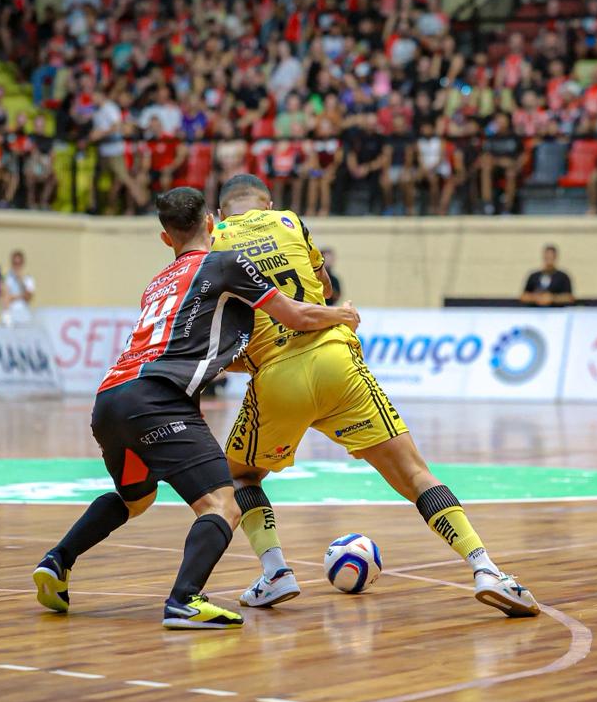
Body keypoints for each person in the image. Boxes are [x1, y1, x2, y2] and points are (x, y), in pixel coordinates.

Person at [212, 174, 540, 618]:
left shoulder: (215, 241)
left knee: (242, 477)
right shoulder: (289, 221)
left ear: (219, 213)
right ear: (267, 204)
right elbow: (325, 289)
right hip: (335, 359)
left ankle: (275, 573)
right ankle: (487, 570)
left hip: (275, 378)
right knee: (416, 475)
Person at [32, 187, 360, 630]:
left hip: (110, 398)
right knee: (223, 504)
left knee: (137, 498)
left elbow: (190, 344)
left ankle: (58, 560)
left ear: (166, 239)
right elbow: (295, 316)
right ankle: (184, 600)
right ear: (212, 224)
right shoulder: (224, 263)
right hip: (158, 400)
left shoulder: (157, 283)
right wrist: (340, 315)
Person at [1, 250, 35, 326]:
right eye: (15, 263)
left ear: (23, 263)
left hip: (23, 316)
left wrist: (21, 280)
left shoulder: (28, 278)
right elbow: (5, 296)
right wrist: (21, 295)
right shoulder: (7, 277)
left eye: (19, 263)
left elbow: (29, 297)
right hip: (10, 316)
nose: (17, 266)